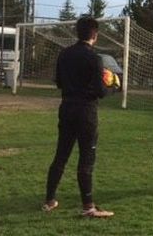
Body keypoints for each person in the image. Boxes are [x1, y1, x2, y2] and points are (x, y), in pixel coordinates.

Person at [42, 16, 119, 218]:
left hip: (66, 108)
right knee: (86, 159)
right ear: (95, 34)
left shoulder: (64, 54)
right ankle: (88, 207)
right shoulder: (95, 58)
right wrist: (114, 86)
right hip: (86, 112)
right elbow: (101, 92)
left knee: (61, 156)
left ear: (77, 32)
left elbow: (59, 83)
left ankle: (49, 200)